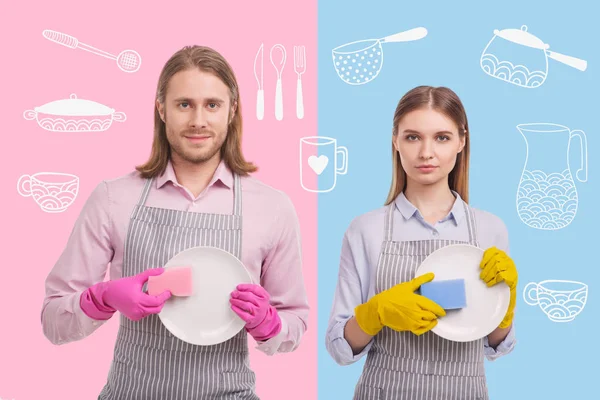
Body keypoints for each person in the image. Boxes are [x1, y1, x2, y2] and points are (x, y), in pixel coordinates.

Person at [41, 45, 309, 399]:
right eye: (184, 104)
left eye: (212, 104)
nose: (198, 120)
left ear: (232, 111)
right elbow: (53, 321)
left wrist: (269, 324)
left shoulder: (273, 208)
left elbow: (294, 324)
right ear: (161, 110)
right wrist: (101, 298)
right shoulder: (113, 198)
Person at [325, 86, 518, 399]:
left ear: (461, 141)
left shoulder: (490, 230)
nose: (426, 152)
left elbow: (494, 346)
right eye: (413, 137)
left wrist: (505, 308)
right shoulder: (365, 230)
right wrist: (375, 312)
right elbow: (340, 348)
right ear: (395, 141)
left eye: (441, 137)